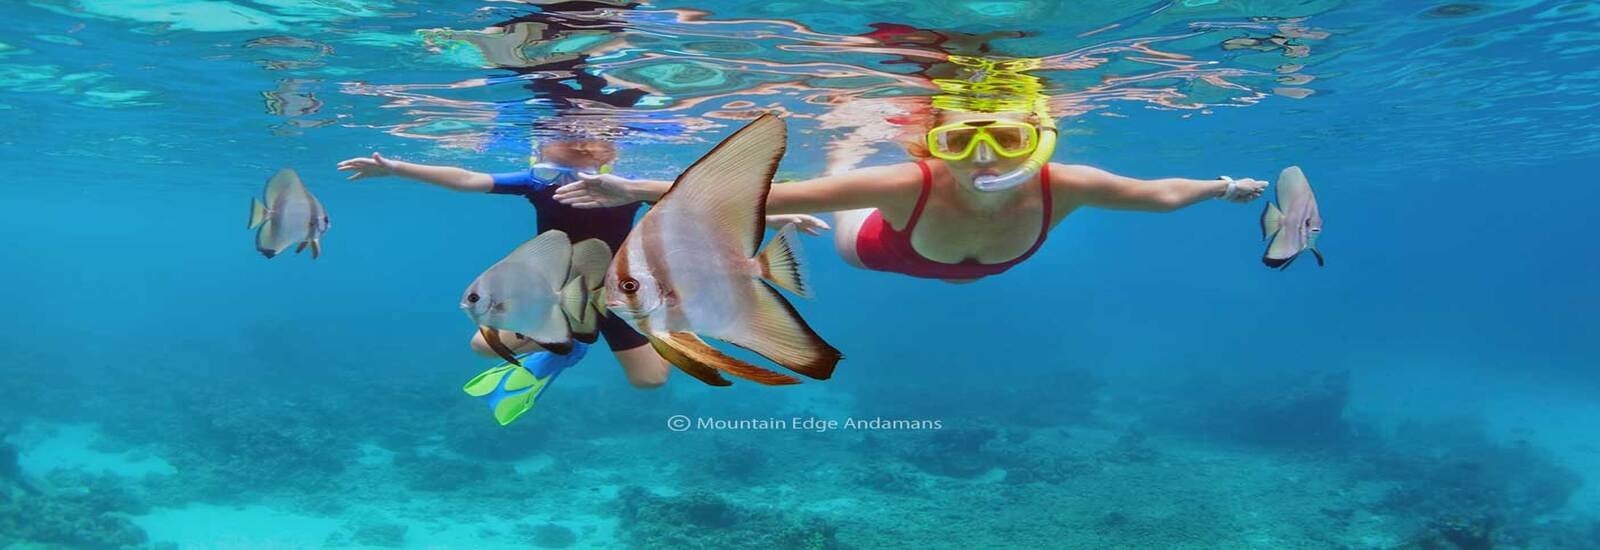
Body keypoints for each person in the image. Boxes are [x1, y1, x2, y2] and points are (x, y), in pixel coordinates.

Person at [549, 105, 1269, 284]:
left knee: (819, 194)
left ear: (1039, 141)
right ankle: (846, 142)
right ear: (932, 145)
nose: (982, 158)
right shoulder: (907, 182)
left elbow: (1161, 193)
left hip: (980, 261)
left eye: (1007, 140)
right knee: (826, 194)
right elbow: (759, 192)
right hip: (879, 249)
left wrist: (1223, 186)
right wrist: (635, 184)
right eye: (958, 142)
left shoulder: (1070, 185)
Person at [335, 139, 827, 388]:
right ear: (544, 146)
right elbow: (466, 178)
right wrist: (396, 168)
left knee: (650, 381)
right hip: (553, 289)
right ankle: (564, 346)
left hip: (629, 292)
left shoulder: (627, 185)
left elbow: (700, 210)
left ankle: (635, 335)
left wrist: (784, 213)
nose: (588, 146)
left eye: (599, 142)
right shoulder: (538, 180)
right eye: (572, 141)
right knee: (480, 347)